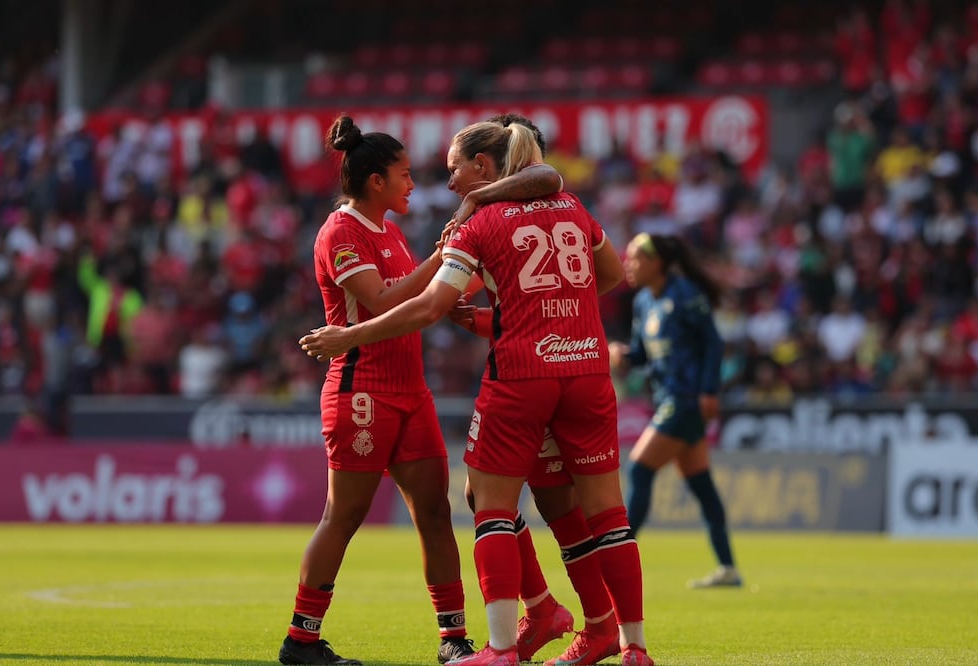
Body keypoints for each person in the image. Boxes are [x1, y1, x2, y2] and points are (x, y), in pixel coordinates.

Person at [300, 121, 653, 666]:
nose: (438, 184)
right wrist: (511, 311)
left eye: (451, 171)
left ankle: (500, 642)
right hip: (577, 371)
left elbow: (427, 304)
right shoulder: (569, 203)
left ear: (484, 168)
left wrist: (462, 277)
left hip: (513, 381)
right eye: (410, 174)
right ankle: (621, 640)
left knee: (483, 506)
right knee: (594, 513)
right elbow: (597, 274)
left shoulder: (476, 221)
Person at [277, 115, 475, 666]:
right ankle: (302, 640)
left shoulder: (389, 230)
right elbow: (385, 302)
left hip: (411, 391)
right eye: (405, 174)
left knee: (435, 513)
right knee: (344, 515)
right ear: (375, 181)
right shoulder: (340, 232)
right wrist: (442, 258)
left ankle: (453, 640)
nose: (413, 184)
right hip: (362, 389)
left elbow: (414, 304)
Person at [448, 113, 620, 665]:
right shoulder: (540, 211)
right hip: (557, 368)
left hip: (536, 376)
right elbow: (509, 301)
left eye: (457, 171)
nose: (450, 183)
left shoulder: (513, 209)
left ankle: (587, 620)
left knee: (542, 504)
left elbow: (547, 180)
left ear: (490, 164)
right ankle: (562, 612)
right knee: (536, 502)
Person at [610, 232, 742, 588]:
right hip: (667, 397)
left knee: (639, 469)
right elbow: (641, 355)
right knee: (700, 484)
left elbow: (713, 344)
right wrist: (622, 354)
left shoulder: (685, 295)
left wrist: (709, 391)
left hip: (685, 400)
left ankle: (618, 561)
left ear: (657, 262)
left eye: (636, 256)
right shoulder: (643, 302)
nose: (628, 263)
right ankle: (728, 569)